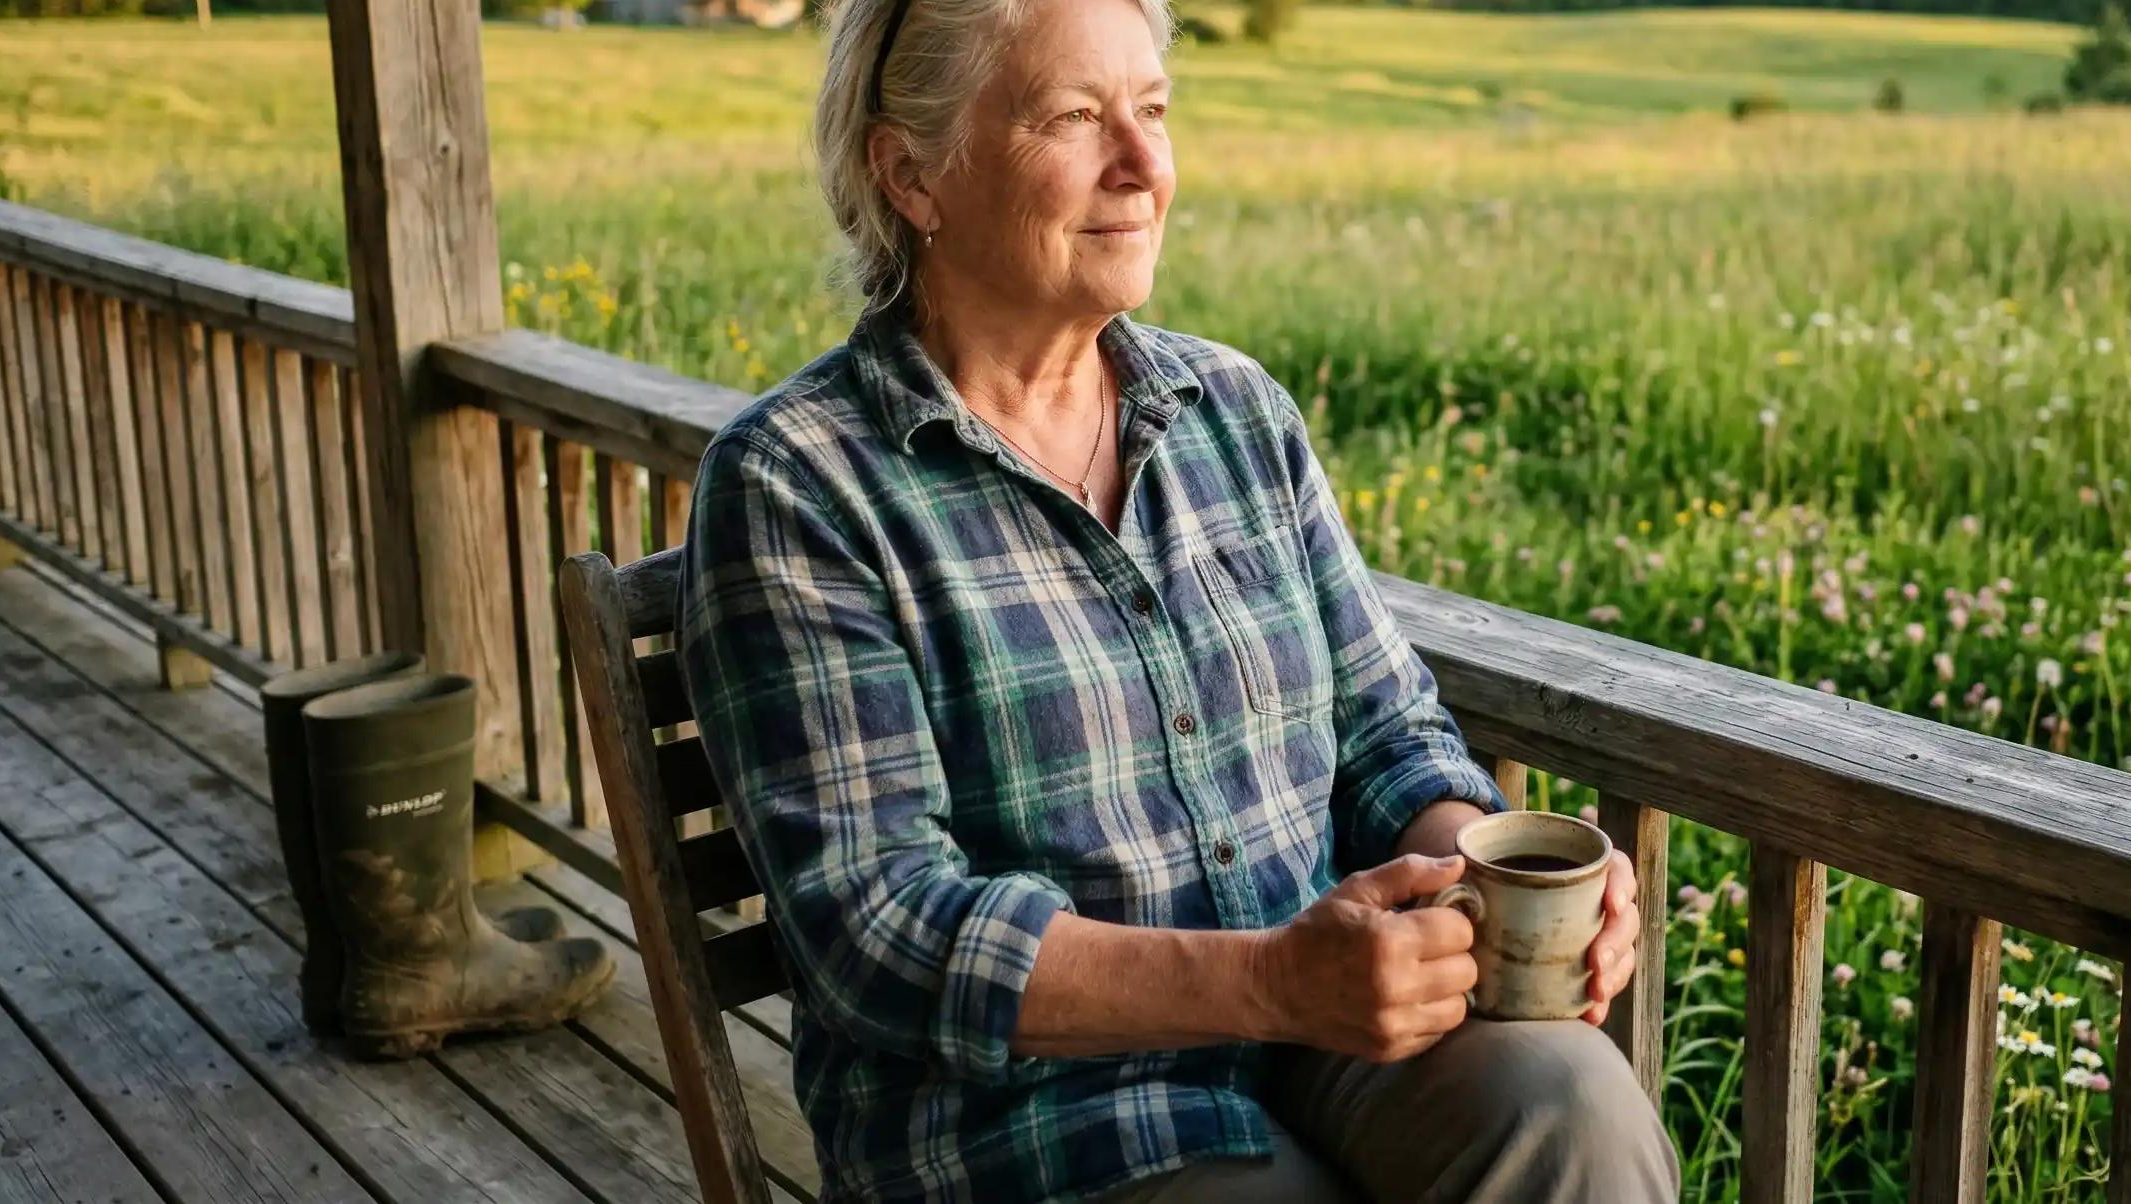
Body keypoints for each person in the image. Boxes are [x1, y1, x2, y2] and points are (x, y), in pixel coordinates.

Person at [674, 0, 1679, 1198]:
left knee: (1569, 1104)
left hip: (1312, 1036)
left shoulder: (1233, 412)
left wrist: (1497, 873)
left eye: (1152, 109)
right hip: (1029, 1118)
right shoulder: (800, 482)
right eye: (1075, 117)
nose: (1145, 166)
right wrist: (1270, 978)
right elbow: (883, 932)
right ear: (911, 174)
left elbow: (1385, 736)